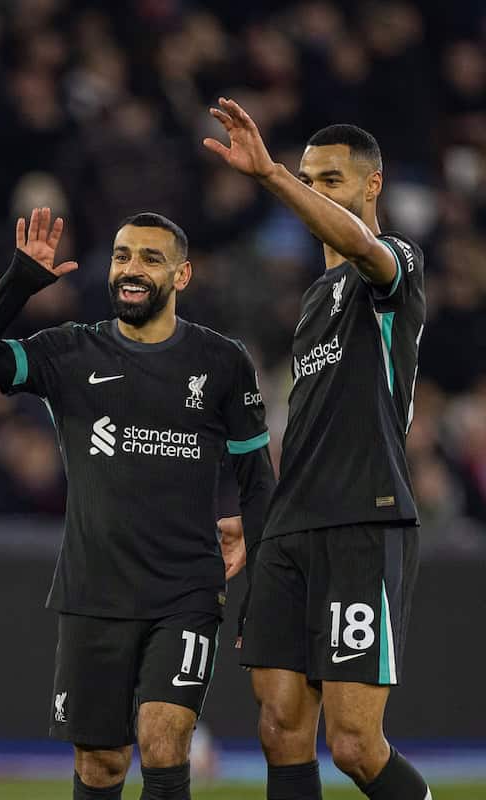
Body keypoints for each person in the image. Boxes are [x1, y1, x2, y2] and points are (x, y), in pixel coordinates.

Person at [0, 209, 276, 800]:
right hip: (93, 590)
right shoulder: (69, 353)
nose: (131, 269)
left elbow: (257, 481)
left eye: (150, 258)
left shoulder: (223, 362)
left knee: (164, 741)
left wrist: (259, 598)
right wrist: (20, 280)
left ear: (182, 275)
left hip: (186, 590)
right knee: (101, 762)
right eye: (123, 255)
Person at [205, 101, 429, 800]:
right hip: (290, 532)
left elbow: (365, 249)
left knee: (357, 745)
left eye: (329, 180)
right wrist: (257, 515)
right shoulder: (310, 302)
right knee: (279, 729)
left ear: (372, 186)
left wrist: (270, 175)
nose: (313, 190)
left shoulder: (393, 269)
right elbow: (302, 431)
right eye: (307, 178)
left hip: (363, 519)